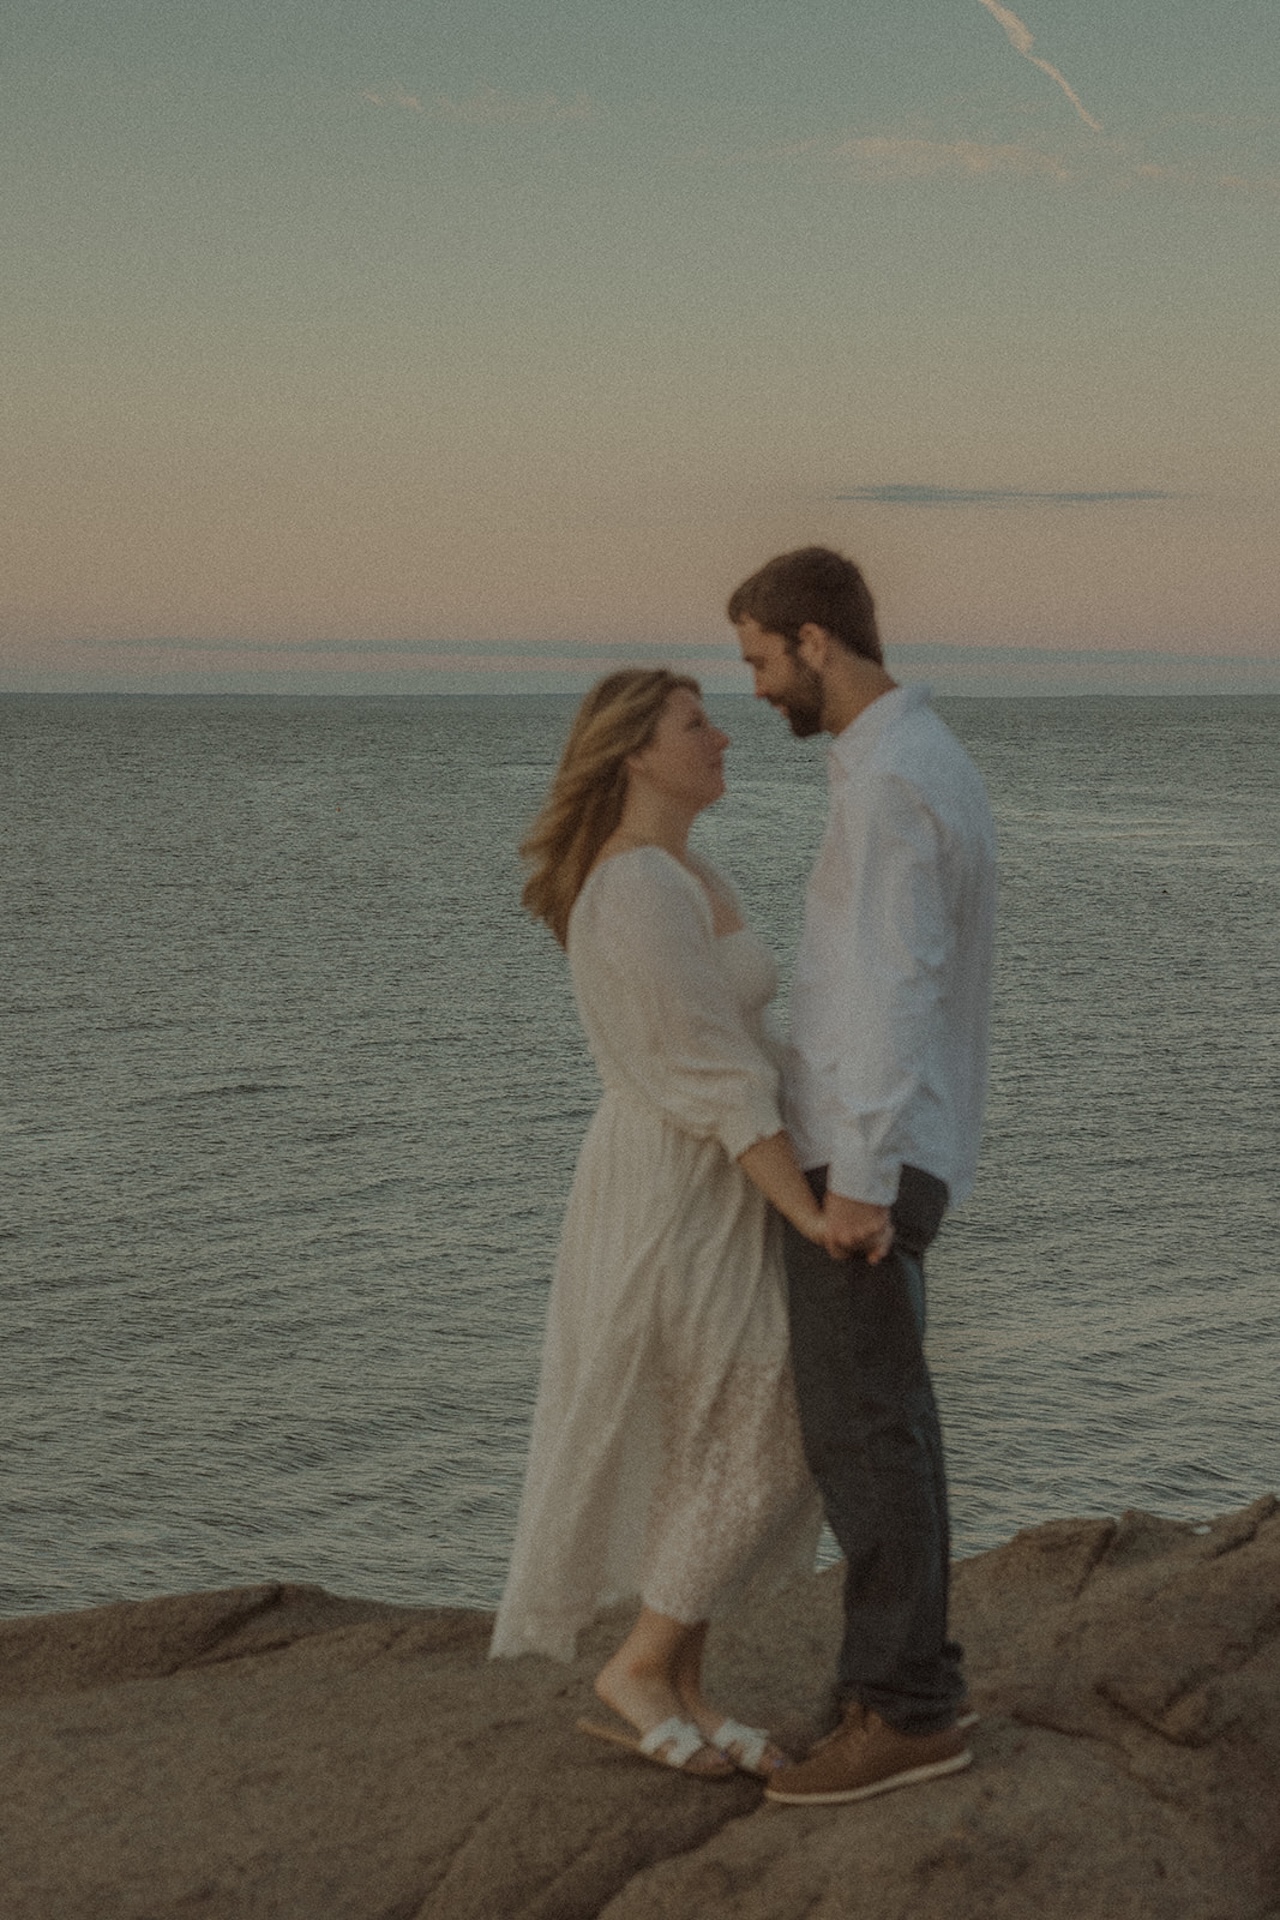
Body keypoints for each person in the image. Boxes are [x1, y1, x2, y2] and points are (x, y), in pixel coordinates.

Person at [490, 667, 826, 1780]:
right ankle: (635, 1667)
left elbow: (751, 1055)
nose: (723, 737)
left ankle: (684, 1682)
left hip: (720, 1178)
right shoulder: (631, 888)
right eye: (696, 724)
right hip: (677, 1187)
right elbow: (710, 1071)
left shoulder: (685, 870)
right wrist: (814, 1216)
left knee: (718, 1423)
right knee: (762, 1406)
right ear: (634, 751)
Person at [728, 546, 996, 1807]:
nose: (756, 688)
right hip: (873, 1144)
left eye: (758, 660)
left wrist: (862, 1181)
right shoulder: (902, 764)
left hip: (861, 1151)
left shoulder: (891, 783)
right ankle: (892, 1680)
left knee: (865, 1429)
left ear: (814, 642)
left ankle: (904, 1708)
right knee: (883, 1421)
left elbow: (894, 992)